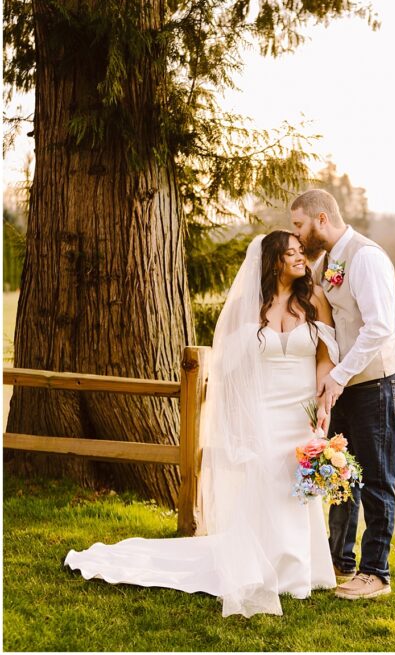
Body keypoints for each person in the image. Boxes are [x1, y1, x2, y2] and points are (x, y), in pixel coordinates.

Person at [65, 231, 340, 616]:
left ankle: (300, 572)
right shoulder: (251, 305)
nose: (300, 258)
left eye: (300, 252)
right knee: (267, 484)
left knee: (297, 486)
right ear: (272, 261)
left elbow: (326, 354)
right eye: (291, 253)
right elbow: (231, 370)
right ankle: (264, 568)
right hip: (263, 410)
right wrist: (241, 422)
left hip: (302, 410)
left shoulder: (313, 299)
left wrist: (323, 398)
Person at [290, 189, 395, 601]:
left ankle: (376, 572)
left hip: (376, 383)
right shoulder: (325, 262)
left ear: (321, 219)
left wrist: (338, 376)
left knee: (376, 478)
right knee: (342, 474)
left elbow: (379, 328)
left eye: (300, 225)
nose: (297, 234)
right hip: (345, 385)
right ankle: (341, 561)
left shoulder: (367, 257)